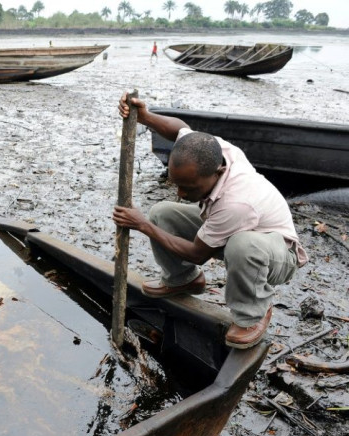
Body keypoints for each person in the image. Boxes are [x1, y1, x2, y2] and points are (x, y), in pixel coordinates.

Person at [113, 92, 308, 349]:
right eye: (177, 184)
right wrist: (145, 117)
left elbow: (197, 253)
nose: (181, 194)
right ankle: (183, 280)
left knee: (243, 246)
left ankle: (252, 315)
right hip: (237, 231)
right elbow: (181, 130)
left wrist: (142, 226)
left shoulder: (237, 203)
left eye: (189, 187)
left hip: (277, 253)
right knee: (162, 213)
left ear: (217, 174)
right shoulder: (213, 150)